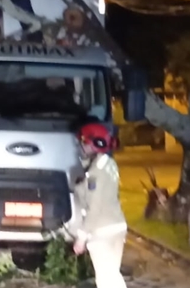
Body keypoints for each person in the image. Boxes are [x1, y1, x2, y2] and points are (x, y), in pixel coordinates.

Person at [70, 122, 128, 288]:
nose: (81, 147)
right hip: (117, 227)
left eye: (84, 143)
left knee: (105, 279)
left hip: (101, 232)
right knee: (112, 275)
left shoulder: (95, 173)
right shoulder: (109, 164)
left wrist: (81, 238)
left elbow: (94, 208)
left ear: (93, 145)